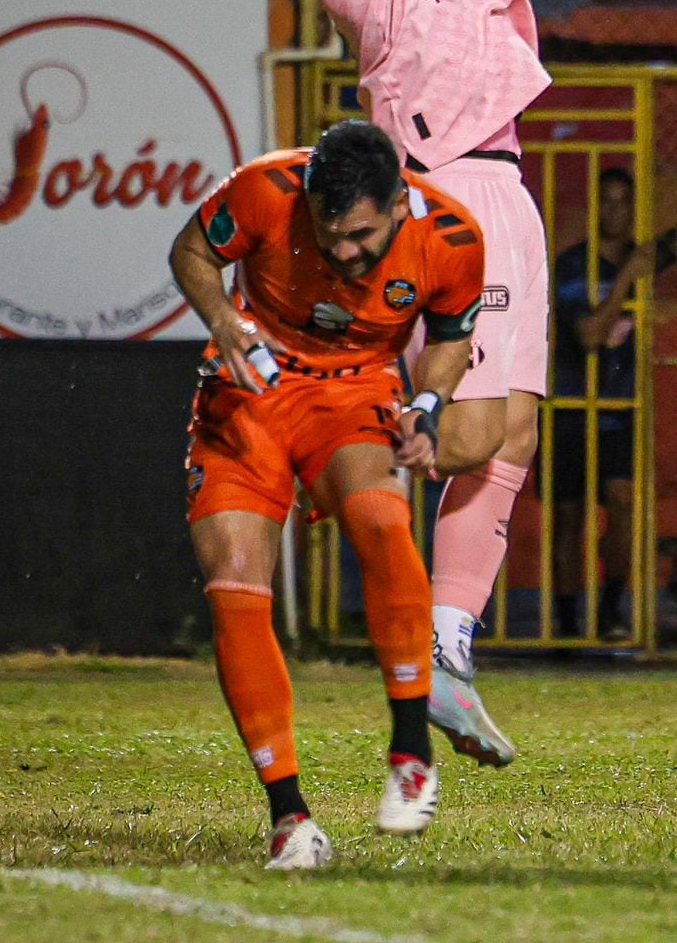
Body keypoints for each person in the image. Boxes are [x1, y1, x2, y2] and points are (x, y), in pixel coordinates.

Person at [229, 0, 549, 767]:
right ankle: (375, 468)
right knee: (474, 435)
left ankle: (449, 649)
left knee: (512, 431)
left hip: (495, 166)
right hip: (447, 175)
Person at [169, 119, 489, 870]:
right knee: (234, 584)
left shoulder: (453, 239)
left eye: (363, 236)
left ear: (400, 204)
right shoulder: (264, 191)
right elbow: (192, 249)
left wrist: (430, 408)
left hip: (354, 392)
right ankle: (290, 819)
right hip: (251, 385)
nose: (345, 251)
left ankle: (411, 753)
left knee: (381, 518)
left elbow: (448, 335)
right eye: (330, 232)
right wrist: (225, 320)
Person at [549, 123, 677, 638]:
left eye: (624, 202)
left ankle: (611, 610)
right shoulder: (574, 265)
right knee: (569, 518)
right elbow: (592, 335)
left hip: (619, 408)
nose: (615, 211)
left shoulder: (644, 255)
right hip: (573, 406)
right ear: (598, 208)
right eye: (608, 202)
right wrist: (625, 281)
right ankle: (567, 623)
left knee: (621, 506)